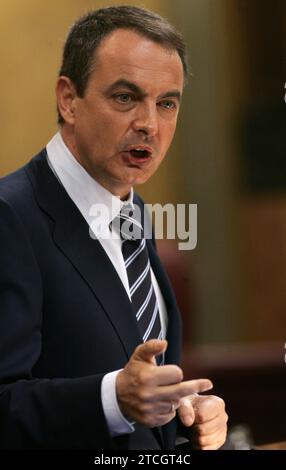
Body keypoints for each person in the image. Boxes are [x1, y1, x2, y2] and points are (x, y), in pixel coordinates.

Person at [0, 6, 227, 450]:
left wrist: (188, 417)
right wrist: (111, 401)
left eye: (166, 104)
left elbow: (140, 393)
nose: (149, 124)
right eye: (125, 97)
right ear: (68, 98)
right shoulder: (11, 217)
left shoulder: (133, 211)